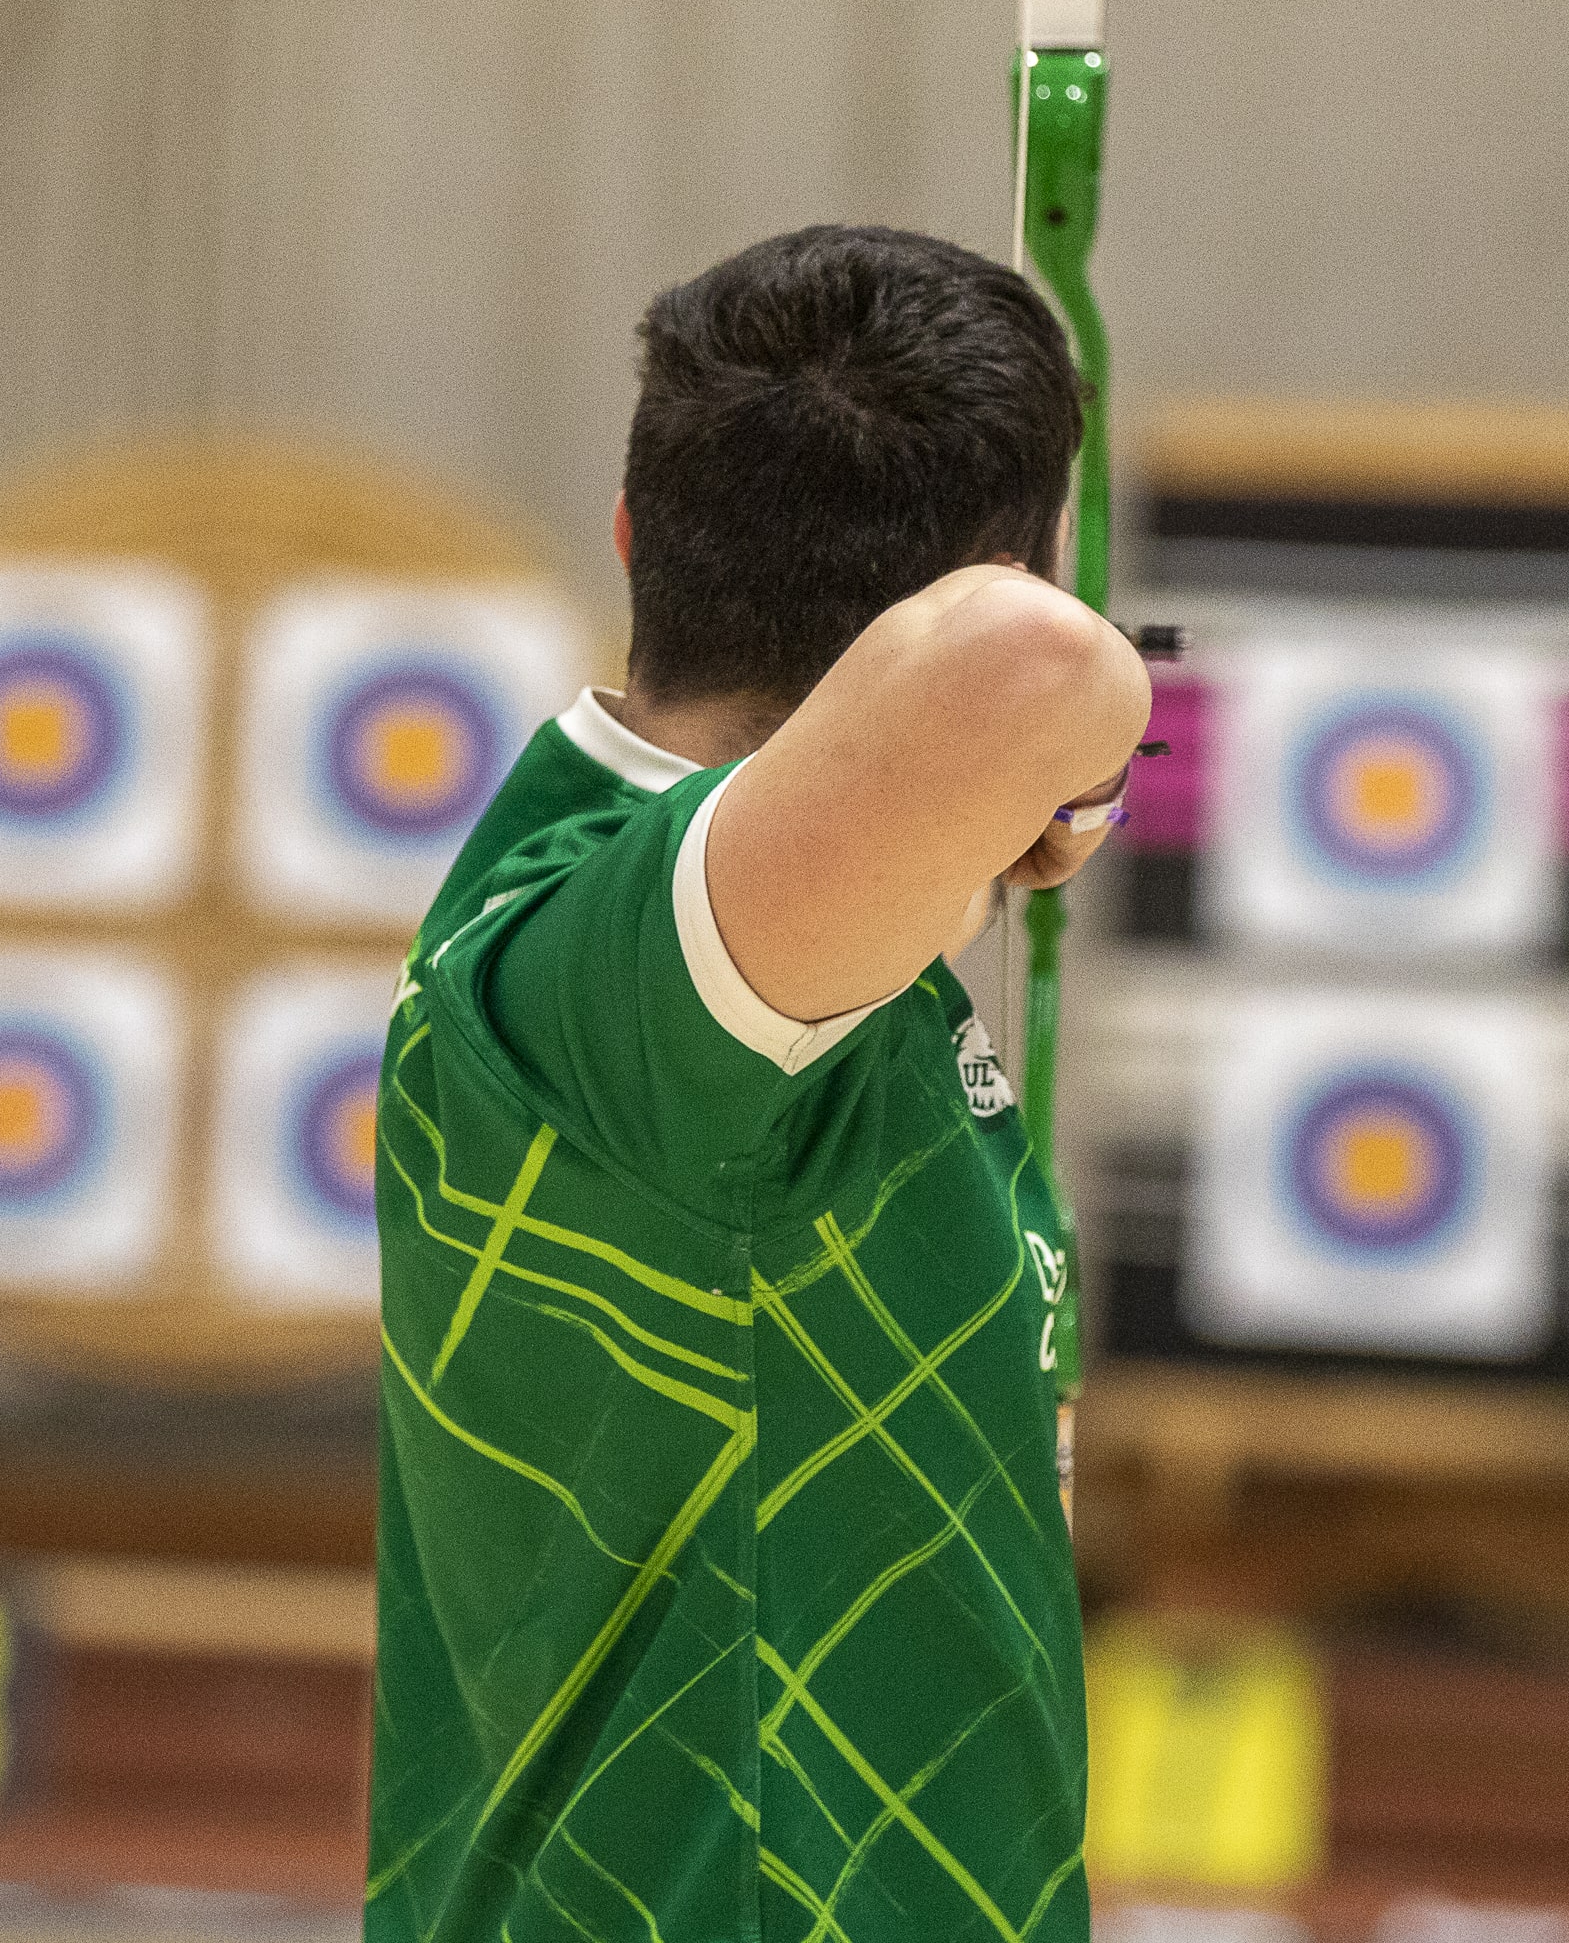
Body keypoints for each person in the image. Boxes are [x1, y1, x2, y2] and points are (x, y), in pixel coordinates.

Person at [366, 224, 1151, 1943]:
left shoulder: (768, 967)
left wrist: (994, 813)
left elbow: (960, 716)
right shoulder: (613, 966)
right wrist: (1074, 758)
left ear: (631, 532)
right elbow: (1028, 673)